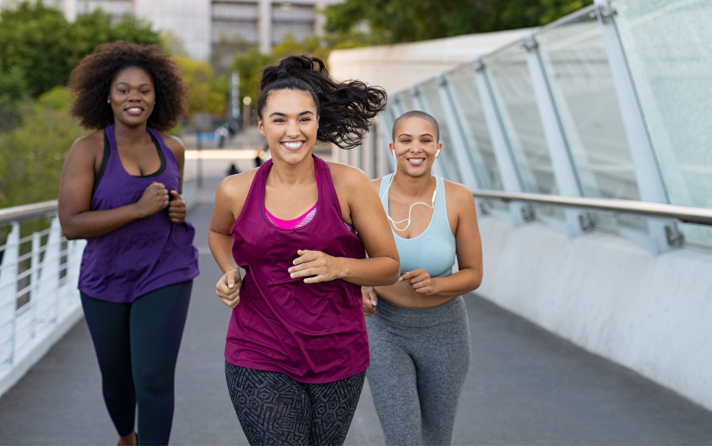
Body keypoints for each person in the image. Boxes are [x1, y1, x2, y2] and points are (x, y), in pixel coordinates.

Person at [208, 55, 400, 446]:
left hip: (338, 354)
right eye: (279, 119)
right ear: (261, 125)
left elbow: (389, 267)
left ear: (317, 123)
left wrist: (338, 266)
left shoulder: (350, 184)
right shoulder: (235, 190)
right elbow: (218, 232)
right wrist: (230, 270)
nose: (292, 130)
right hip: (258, 349)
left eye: (304, 118)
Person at [58, 41, 199, 446]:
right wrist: (137, 210)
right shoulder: (88, 150)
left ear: (158, 97)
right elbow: (71, 223)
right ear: (106, 95)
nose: (134, 97)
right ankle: (127, 436)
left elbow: (172, 202)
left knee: (154, 376)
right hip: (107, 277)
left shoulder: (172, 147)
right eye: (123, 89)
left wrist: (177, 208)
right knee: (118, 380)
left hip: (166, 270)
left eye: (144, 90)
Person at [362, 110, 483, 446]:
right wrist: (361, 286)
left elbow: (474, 274)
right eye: (406, 140)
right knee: (402, 437)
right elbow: (348, 254)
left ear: (438, 148)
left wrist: (437, 284)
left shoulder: (458, 198)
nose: (416, 148)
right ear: (392, 147)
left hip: (445, 331)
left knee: (436, 437)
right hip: (385, 328)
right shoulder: (368, 193)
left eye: (425, 140)